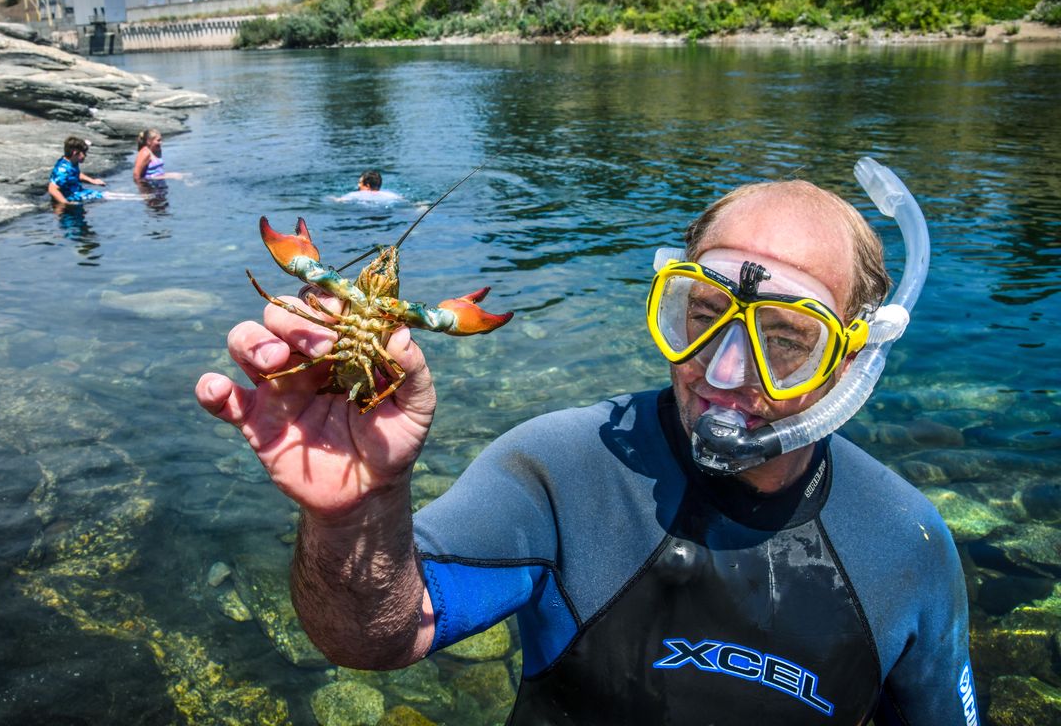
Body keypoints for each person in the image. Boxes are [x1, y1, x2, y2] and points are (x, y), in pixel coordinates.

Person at [195, 168, 976, 724]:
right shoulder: (562, 468)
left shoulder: (904, 545)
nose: (724, 371)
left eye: (788, 340)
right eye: (698, 315)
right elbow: (375, 636)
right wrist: (353, 513)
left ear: (852, 360)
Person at [47, 136, 105, 205]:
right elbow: (52, 189)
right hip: (71, 197)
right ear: (75, 153)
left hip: (77, 192)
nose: (86, 155)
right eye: (84, 153)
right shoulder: (63, 170)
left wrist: (92, 181)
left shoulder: (72, 162)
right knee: (108, 197)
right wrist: (65, 203)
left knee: (109, 195)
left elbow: (76, 174)